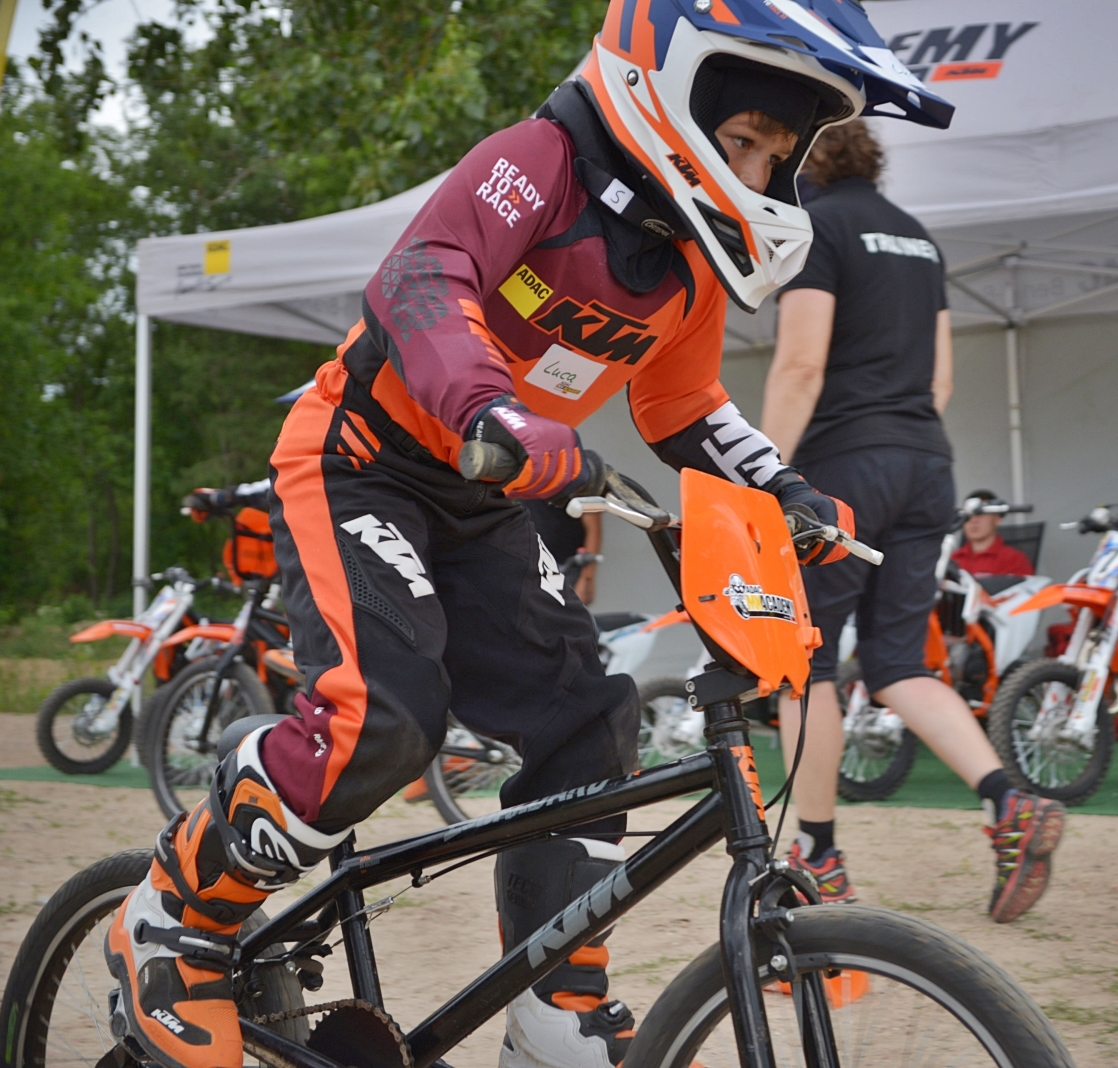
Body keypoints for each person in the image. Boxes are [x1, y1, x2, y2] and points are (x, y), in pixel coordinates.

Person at [101, 5, 953, 1067]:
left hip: (483, 497)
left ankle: (556, 1002)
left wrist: (783, 488)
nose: (754, 170)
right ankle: (173, 915)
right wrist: (488, 406)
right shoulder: (542, 158)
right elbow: (419, 276)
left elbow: (681, 405)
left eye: (774, 155)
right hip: (360, 460)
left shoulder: (689, 254)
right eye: (742, 138)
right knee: (381, 724)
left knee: (589, 726)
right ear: (672, 90)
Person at [760, 120, 1063, 922]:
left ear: (807, 159)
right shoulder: (919, 239)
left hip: (843, 465)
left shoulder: (817, 226)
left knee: (805, 664)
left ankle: (818, 854)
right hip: (927, 463)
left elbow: (801, 365)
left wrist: (763, 478)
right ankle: (1008, 803)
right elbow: (941, 382)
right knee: (898, 662)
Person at [524, 499, 602, 605]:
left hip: (569, 568)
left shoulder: (577, 488)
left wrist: (586, 577)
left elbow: (593, 528)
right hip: (533, 567)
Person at [953, 488, 1034, 577]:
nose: (973, 520)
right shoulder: (952, 559)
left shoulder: (1014, 559)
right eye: (968, 515)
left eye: (981, 513)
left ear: (997, 519)